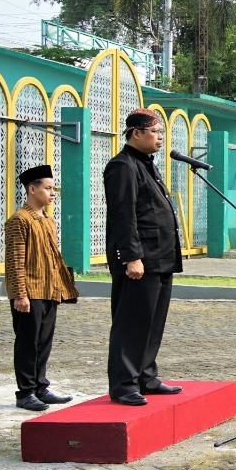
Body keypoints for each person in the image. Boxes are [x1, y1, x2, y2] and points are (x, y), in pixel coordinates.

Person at [104, 108, 183, 407]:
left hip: (160, 258)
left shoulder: (146, 164)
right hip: (141, 260)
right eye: (155, 132)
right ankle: (124, 385)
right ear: (136, 133)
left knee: (152, 322)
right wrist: (131, 257)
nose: (160, 138)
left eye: (161, 132)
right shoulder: (123, 166)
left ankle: (146, 377)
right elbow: (123, 216)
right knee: (131, 324)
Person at [5, 164, 77, 412]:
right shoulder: (19, 220)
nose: (52, 193)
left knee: (44, 342)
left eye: (53, 188)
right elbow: (15, 260)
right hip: (29, 292)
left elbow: (54, 258)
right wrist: (20, 294)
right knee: (27, 343)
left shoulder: (48, 220)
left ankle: (40, 387)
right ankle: (25, 392)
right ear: (32, 189)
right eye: (47, 188)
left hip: (49, 290)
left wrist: (60, 289)